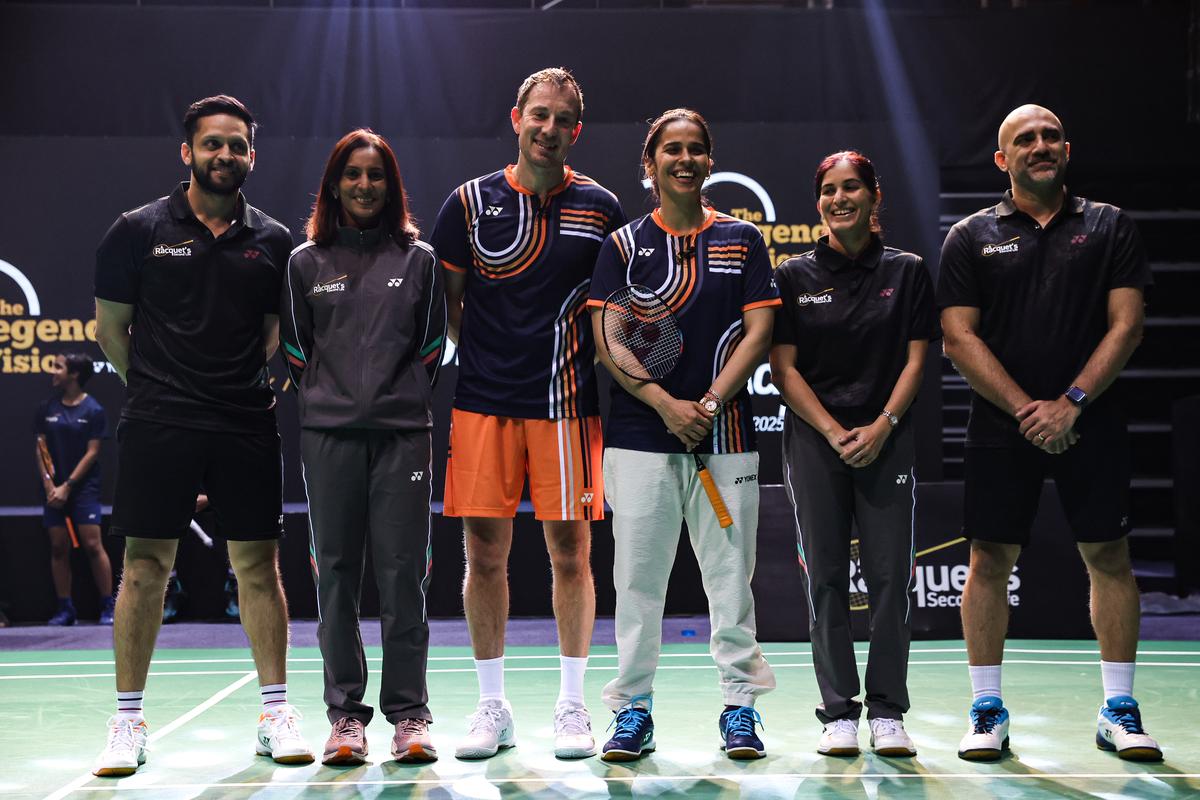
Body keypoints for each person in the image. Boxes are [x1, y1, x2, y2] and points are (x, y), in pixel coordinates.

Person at [91, 94, 313, 776]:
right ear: (187, 152)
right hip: (160, 420)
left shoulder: (274, 241)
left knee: (257, 568)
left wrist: (238, 382)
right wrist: (159, 389)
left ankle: (275, 711)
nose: (225, 155)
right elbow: (110, 329)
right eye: (212, 144)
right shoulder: (136, 230)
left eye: (237, 145)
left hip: (245, 421)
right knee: (143, 567)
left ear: (253, 154)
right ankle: (127, 720)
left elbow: (275, 332)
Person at [938, 104, 1160, 762]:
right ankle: (986, 709)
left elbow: (1128, 326)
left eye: (1050, 136)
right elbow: (957, 336)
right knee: (987, 562)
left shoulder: (1109, 225)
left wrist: (1070, 403)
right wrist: (1026, 409)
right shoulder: (970, 235)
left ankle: (1119, 708)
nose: (1040, 145)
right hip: (1000, 427)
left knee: (1109, 559)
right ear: (1003, 159)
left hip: (1093, 421)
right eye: (1023, 139)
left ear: (1067, 148)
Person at [430, 67, 625, 760]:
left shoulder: (602, 209)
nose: (549, 129)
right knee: (484, 556)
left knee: (571, 555)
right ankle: (492, 707)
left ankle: (572, 707)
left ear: (577, 130)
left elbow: (615, 317)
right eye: (538, 115)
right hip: (482, 404)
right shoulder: (468, 204)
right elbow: (451, 305)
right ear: (516, 118)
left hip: (567, 408)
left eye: (562, 120)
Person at [587, 108, 778, 762]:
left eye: (697, 148)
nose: (685, 159)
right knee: (638, 583)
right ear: (651, 162)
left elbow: (759, 332)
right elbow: (608, 339)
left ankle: (740, 711)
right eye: (672, 149)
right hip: (642, 437)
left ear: (709, 159)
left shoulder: (742, 241)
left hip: (724, 442)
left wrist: (709, 400)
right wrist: (666, 403)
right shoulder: (623, 245)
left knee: (731, 579)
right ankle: (632, 712)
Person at [281, 129, 446, 765]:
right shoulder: (304, 262)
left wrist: (393, 397)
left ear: (391, 185)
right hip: (328, 438)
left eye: (375, 175)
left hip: (403, 437)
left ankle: (409, 715)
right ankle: (346, 718)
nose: (364, 186)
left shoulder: (420, 260)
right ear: (333, 183)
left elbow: (432, 349)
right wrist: (334, 399)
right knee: (337, 578)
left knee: (405, 576)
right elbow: (296, 352)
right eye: (352, 174)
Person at [770, 151, 939, 758]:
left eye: (851, 188)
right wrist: (833, 429)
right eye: (828, 191)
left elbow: (918, 358)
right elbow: (783, 369)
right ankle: (839, 712)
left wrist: (882, 425)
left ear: (874, 197)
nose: (839, 199)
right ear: (818, 201)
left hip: (886, 441)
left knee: (893, 580)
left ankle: (888, 712)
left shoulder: (909, 270)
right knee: (826, 580)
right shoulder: (793, 274)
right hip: (816, 442)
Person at [34, 352, 115, 626]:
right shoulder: (47, 408)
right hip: (53, 491)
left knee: (93, 545)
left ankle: (108, 606)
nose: (53, 371)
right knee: (58, 547)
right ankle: (66, 609)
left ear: (74, 374)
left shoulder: (93, 410)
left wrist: (68, 486)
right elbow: (41, 448)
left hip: (83, 490)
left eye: (58, 366)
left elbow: (92, 453)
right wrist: (49, 484)